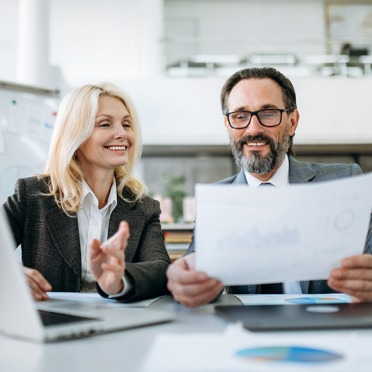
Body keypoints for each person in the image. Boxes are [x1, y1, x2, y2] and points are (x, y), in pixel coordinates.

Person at [166, 67, 372, 307]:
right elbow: (198, 268)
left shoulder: (343, 181)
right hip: (248, 330)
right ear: (227, 125)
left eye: (269, 113)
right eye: (240, 116)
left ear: (292, 122)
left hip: (330, 325)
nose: (253, 129)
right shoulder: (217, 200)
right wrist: (187, 280)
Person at [2, 82, 171, 302]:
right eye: (105, 124)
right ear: (76, 135)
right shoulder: (32, 195)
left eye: (127, 124)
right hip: (49, 326)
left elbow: (161, 270)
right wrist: (10, 275)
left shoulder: (144, 207)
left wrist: (119, 280)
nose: (122, 134)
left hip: (119, 328)